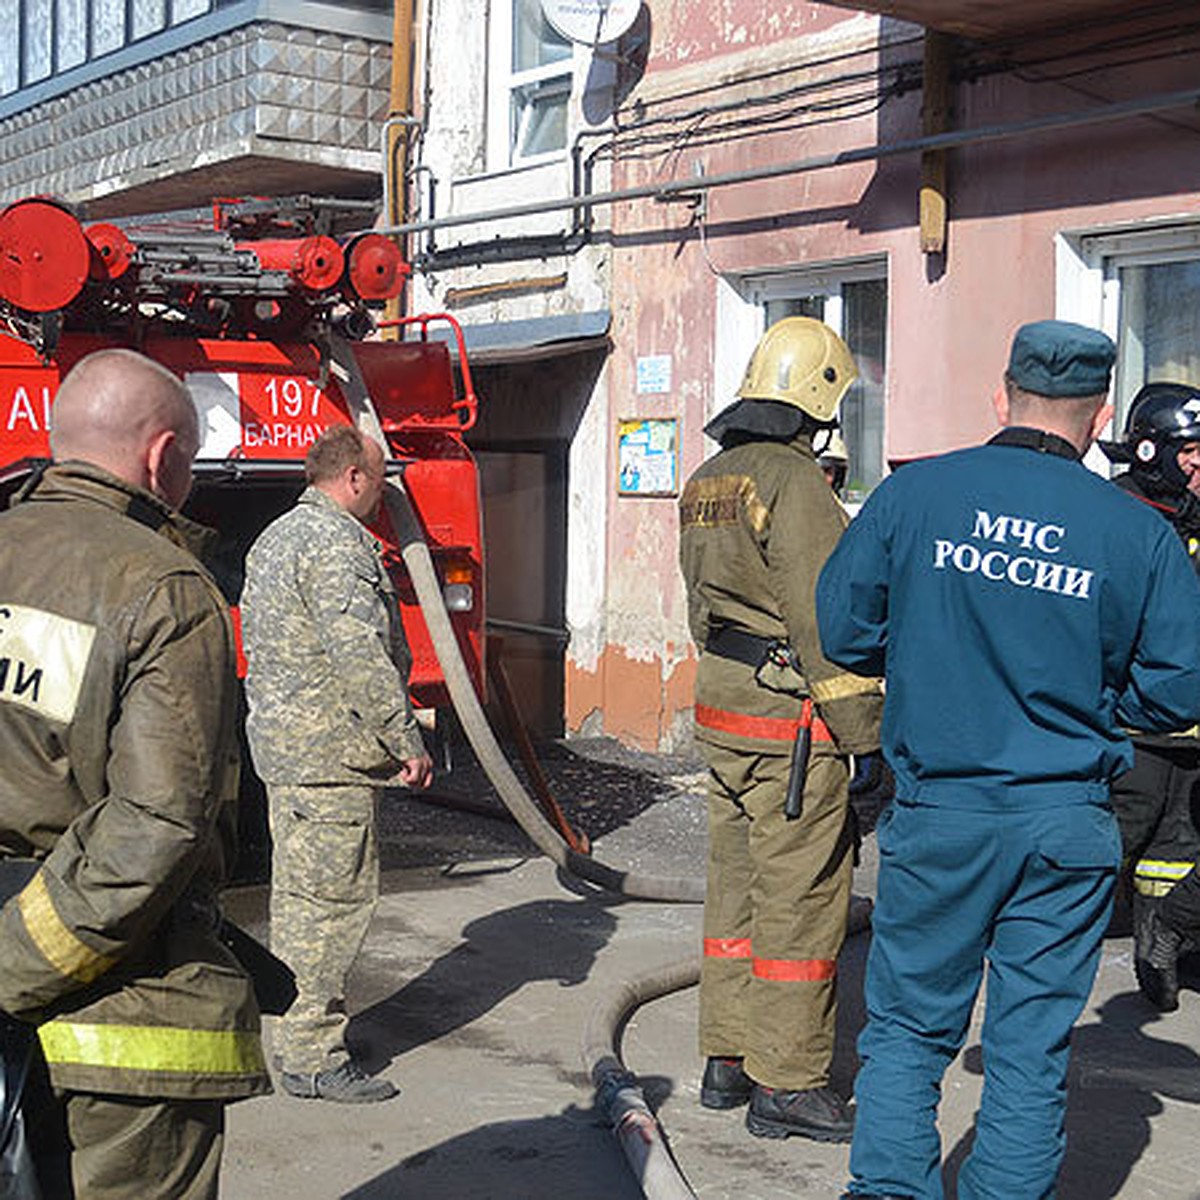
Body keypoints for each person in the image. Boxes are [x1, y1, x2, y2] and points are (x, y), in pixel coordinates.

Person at [817, 320, 1200, 1200]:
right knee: (1030, 1052)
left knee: (909, 1033)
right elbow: (1181, 692)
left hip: (941, 814)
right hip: (1065, 822)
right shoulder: (1133, 531)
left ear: (1002, 397)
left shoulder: (917, 496)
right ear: (1098, 412)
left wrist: (930, 659)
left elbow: (843, 630)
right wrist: (1096, 706)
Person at [0, 348, 270, 1200]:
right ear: (162, 457)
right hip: (119, 1037)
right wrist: (7, 967)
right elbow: (153, 826)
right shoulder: (163, 586)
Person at [677, 317, 884, 1143]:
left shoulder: (707, 477)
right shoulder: (795, 482)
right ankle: (788, 1082)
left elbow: (703, 609)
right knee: (801, 900)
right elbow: (821, 615)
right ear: (819, 398)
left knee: (734, 891)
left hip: (723, 710)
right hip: (791, 728)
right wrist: (863, 731)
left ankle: (727, 1060)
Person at [241, 424, 433, 1103]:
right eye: (378, 480)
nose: (382, 494)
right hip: (330, 758)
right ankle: (313, 1056)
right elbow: (360, 657)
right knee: (330, 908)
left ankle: (301, 1039)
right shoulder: (335, 543)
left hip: (288, 752)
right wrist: (404, 738)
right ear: (352, 476)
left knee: (298, 903)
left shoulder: (277, 537)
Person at [1101, 382, 1200, 1010]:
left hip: (1187, 725)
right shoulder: (1113, 516)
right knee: (1118, 840)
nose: (1197, 463)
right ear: (1148, 448)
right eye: (1189, 449)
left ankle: (1158, 946)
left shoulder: (1189, 514)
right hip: (1131, 725)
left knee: (1178, 844)